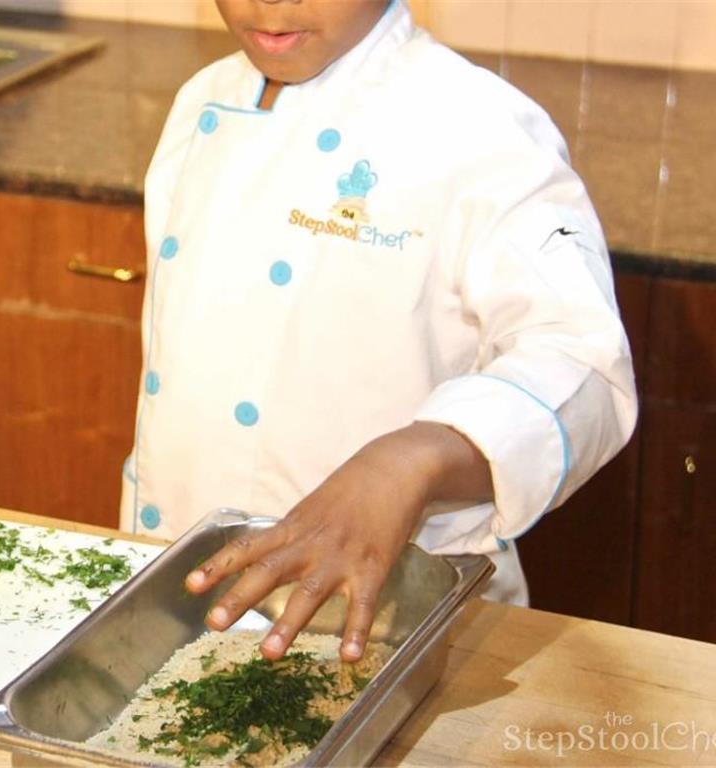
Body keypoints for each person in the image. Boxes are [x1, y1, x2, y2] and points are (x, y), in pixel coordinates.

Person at [119, 0, 637, 663]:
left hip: (399, 630)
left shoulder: (479, 129)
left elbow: (583, 362)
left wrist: (411, 460)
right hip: (177, 595)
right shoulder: (202, 103)